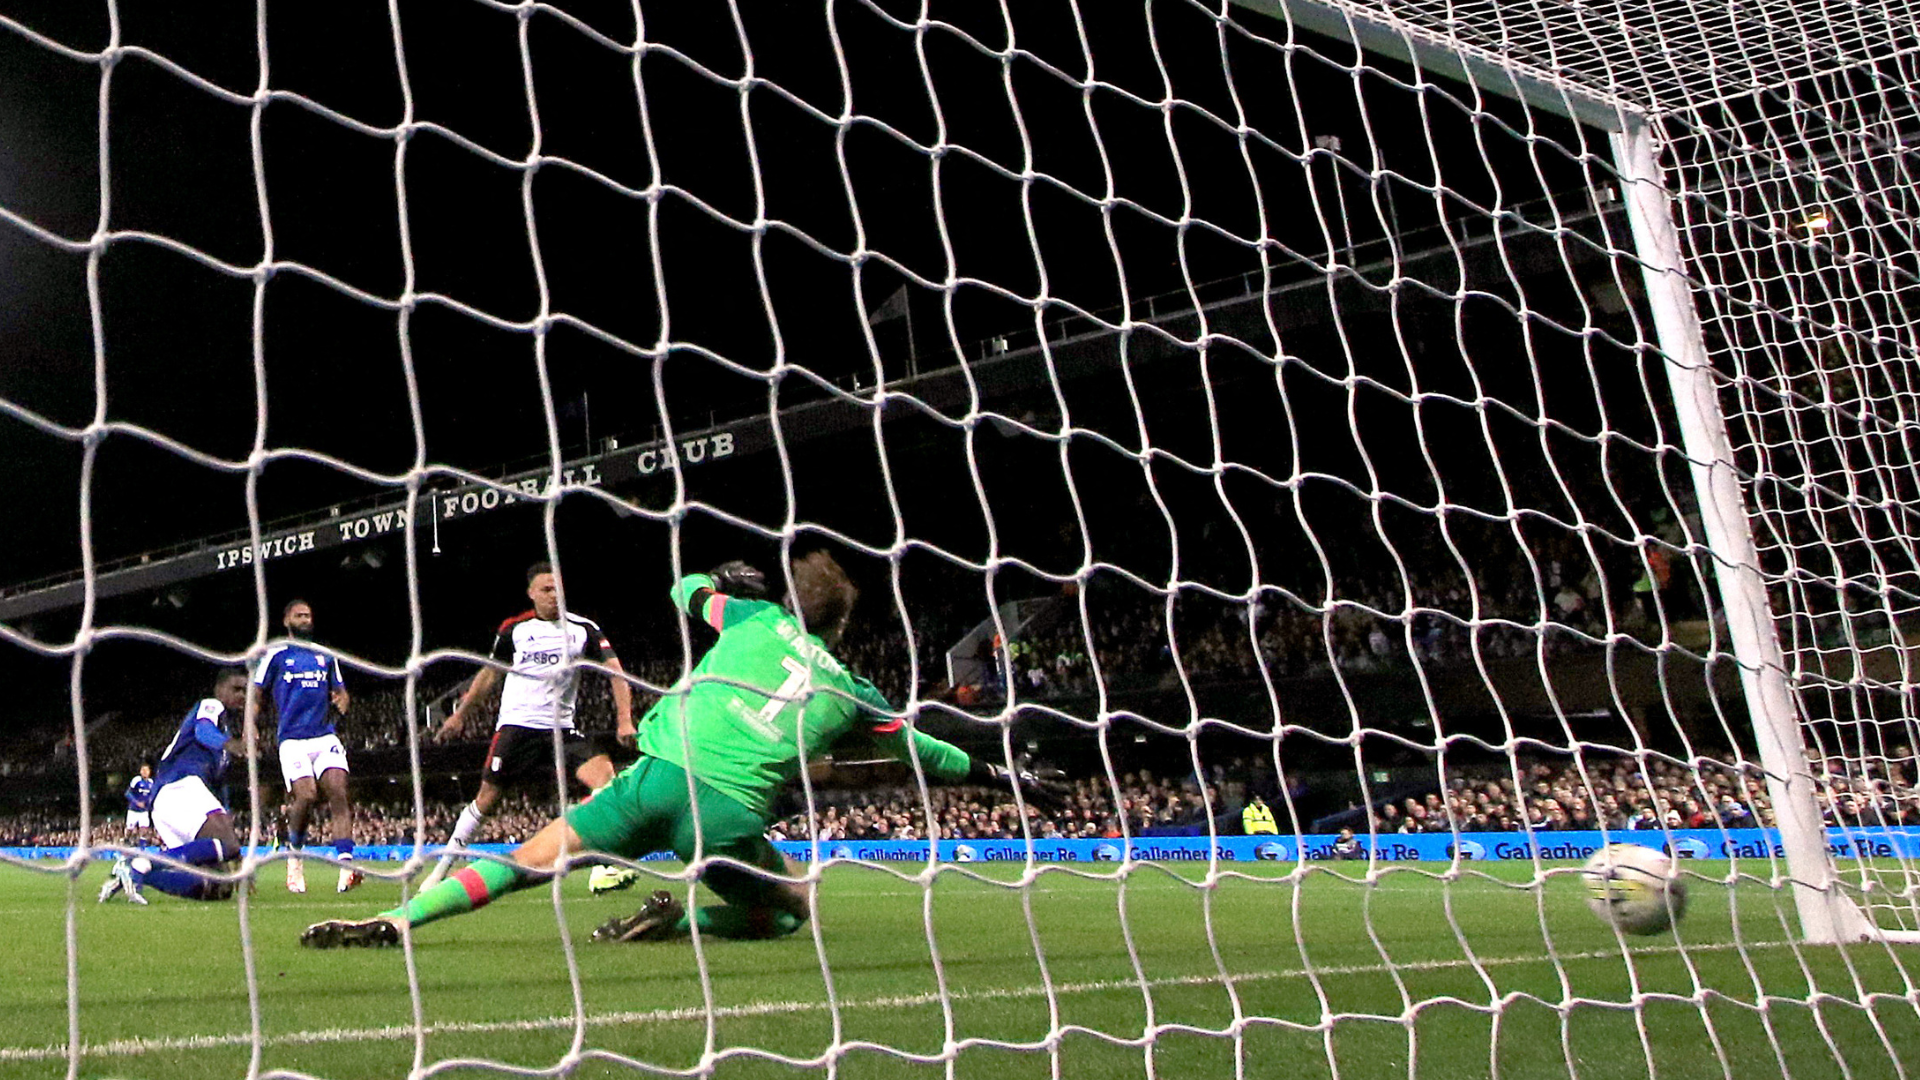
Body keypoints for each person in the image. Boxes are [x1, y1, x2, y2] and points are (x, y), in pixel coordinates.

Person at [302, 552, 1066, 949]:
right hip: (726, 817)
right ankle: (680, 923)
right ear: (841, 628)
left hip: (655, 780)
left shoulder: (752, 619)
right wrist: (1008, 777)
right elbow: (929, 753)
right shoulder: (853, 689)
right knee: (792, 912)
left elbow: (683, 588)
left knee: (528, 858)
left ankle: (403, 919)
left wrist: (718, 577)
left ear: (789, 600)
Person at [418, 561, 636, 889]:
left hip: (562, 730)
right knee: (486, 800)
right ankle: (439, 873)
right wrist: (460, 715)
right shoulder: (514, 629)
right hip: (517, 727)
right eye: (546, 590)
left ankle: (603, 866)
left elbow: (615, 672)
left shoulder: (584, 629)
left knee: (607, 782)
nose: (553, 596)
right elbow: (490, 673)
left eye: (558, 589)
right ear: (531, 593)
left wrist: (624, 720)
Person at [99, 669, 252, 905]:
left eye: (245, 690)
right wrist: (231, 744)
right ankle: (139, 863)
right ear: (219, 689)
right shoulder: (211, 706)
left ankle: (134, 873)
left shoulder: (224, 741)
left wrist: (236, 852)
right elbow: (202, 731)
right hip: (178, 785)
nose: (242, 695)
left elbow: (220, 791)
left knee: (217, 886)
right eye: (236, 689)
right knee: (228, 845)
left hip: (173, 801)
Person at [253, 599, 357, 894]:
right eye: (299, 615)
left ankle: (346, 867)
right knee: (307, 796)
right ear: (286, 621)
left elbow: (340, 691)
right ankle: (294, 857)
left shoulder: (325, 655)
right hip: (292, 740)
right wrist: (251, 725)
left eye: (309, 615)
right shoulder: (273, 654)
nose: (305, 619)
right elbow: (257, 694)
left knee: (338, 791)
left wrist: (342, 701)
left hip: (324, 735)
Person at [123, 764, 155, 841]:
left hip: (144, 811)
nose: (145, 772)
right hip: (133, 810)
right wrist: (136, 802)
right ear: (140, 771)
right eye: (143, 770)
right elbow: (127, 793)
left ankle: (142, 847)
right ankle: (126, 840)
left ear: (149, 772)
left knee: (144, 830)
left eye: (146, 770)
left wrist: (149, 803)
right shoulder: (136, 780)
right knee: (129, 829)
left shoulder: (151, 782)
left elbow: (151, 795)